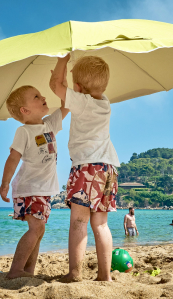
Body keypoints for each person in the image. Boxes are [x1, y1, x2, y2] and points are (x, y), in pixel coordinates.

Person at [50, 54, 120, 282]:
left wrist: (62, 61)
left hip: (87, 167)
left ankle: (75, 273)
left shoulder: (82, 101)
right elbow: (65, 91)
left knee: (79, 221)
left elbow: (55, 86)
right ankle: (104, 276)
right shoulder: (105, 103)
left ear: (78, 88)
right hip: (108, 167)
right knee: (101, 224)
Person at [0, 79, 69, 279]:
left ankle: (28, 271)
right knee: (36, 227)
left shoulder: (50, 124)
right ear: (25, 110)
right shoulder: (24, 132)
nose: (43, 97)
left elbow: (67, 105)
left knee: (40, 230)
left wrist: (62, 83)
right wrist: (5, 183)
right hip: (29, 188)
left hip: (44, 190)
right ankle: (15, 270)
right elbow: (13, 158)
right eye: (36, 97)